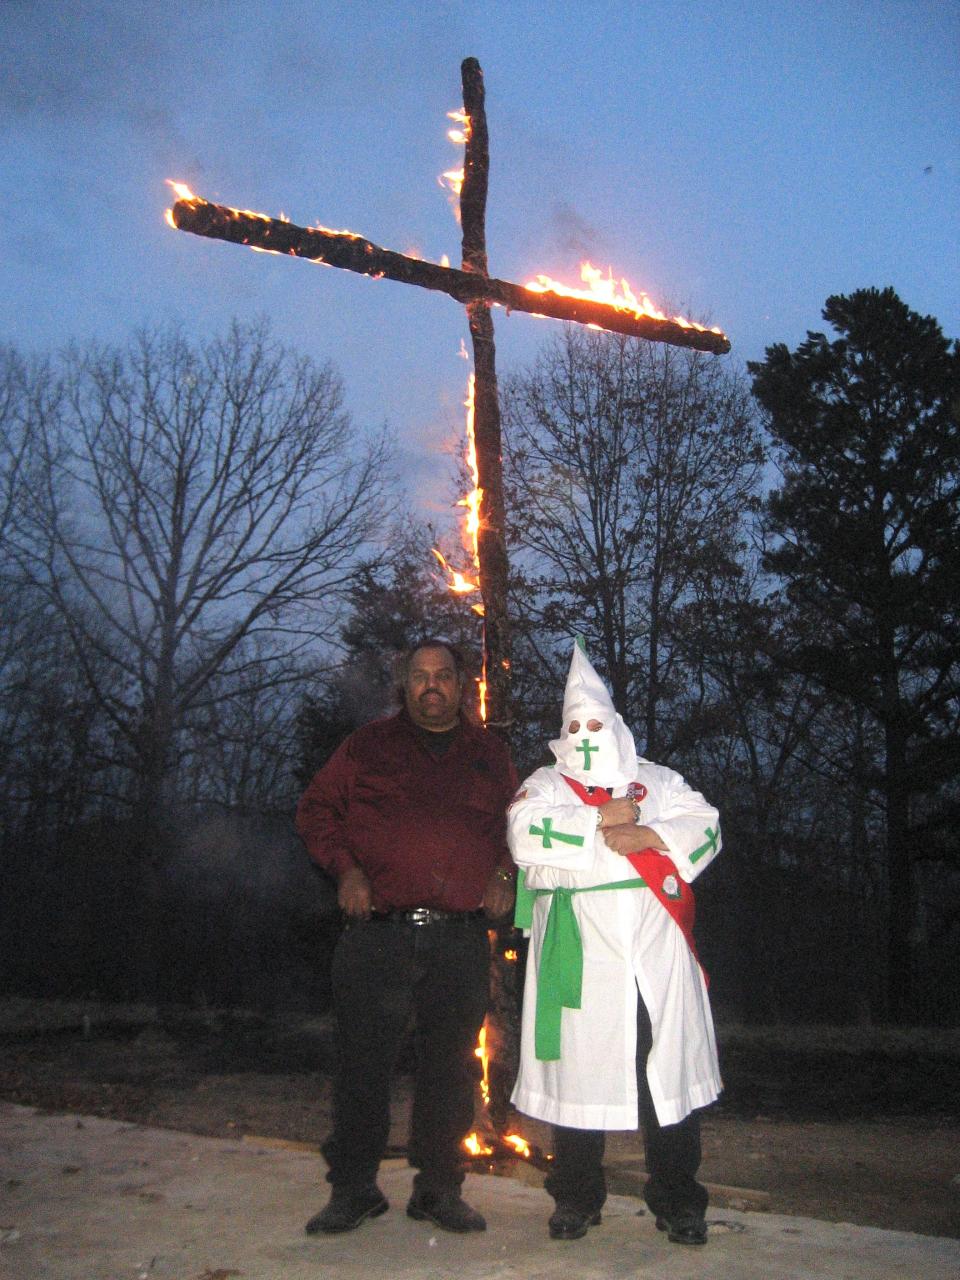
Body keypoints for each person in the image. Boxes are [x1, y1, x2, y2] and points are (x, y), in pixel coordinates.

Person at [295, 638, 517, 1236]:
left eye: (443, 675)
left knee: (450, 1070)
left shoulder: (490, 755)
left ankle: (439, 1190)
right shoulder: (366, 747)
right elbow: (315, 811)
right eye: (419, 676)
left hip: (459, 939)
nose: (431, 686)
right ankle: (353, 1190)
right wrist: (347, 870)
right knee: (363, 1065)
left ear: (461, 683)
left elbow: (521, 828)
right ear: (404, 683)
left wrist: (504, 872)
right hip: (377, 936)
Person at [508, 641, 722, 1247]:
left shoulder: (657, 779)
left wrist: (650, 830)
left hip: (655, 958)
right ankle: (576, 1198)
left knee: (666, 1081)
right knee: (580, 1076)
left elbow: (705, 822)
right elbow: (523, 836)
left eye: (596, 723)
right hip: (581, 953)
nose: (585, 732)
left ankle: (679, 1200)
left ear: (619, 725)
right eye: (574, 724)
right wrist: (607, 822)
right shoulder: (546, 783)